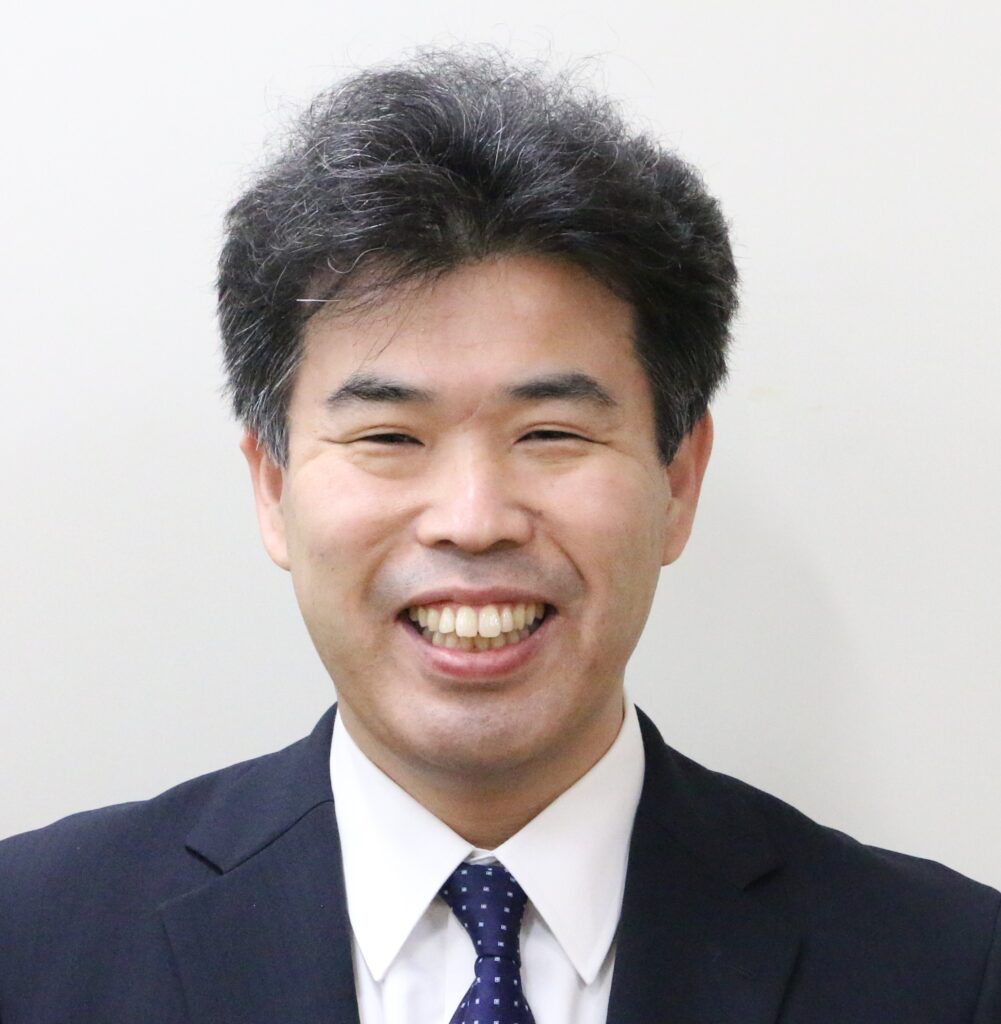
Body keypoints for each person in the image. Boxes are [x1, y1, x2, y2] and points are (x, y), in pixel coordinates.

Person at [0, 49, 998, 1024]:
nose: (473, 521)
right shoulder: (31, 942)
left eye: (550, 434)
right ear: (273, 488)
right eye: (389, 437)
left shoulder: (946, 970)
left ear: (677, 481)